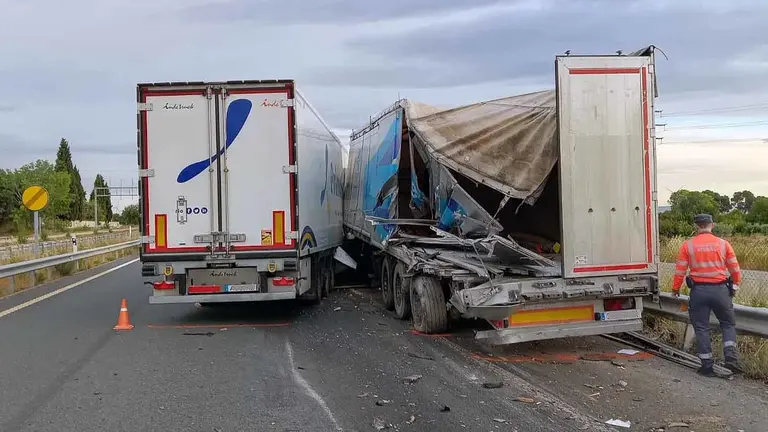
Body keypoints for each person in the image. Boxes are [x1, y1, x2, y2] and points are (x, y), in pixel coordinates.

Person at [672, 213, 745, 376]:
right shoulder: (724, 244)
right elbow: (735, 269)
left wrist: (675, 289)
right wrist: (735, 285)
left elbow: (680, 271)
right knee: (727, 324)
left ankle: (707, 366)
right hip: (721, 291)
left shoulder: (687, 246)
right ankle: (731, 359)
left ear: (696, 226)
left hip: (699, 291)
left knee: (701, 327)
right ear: (712, 225)